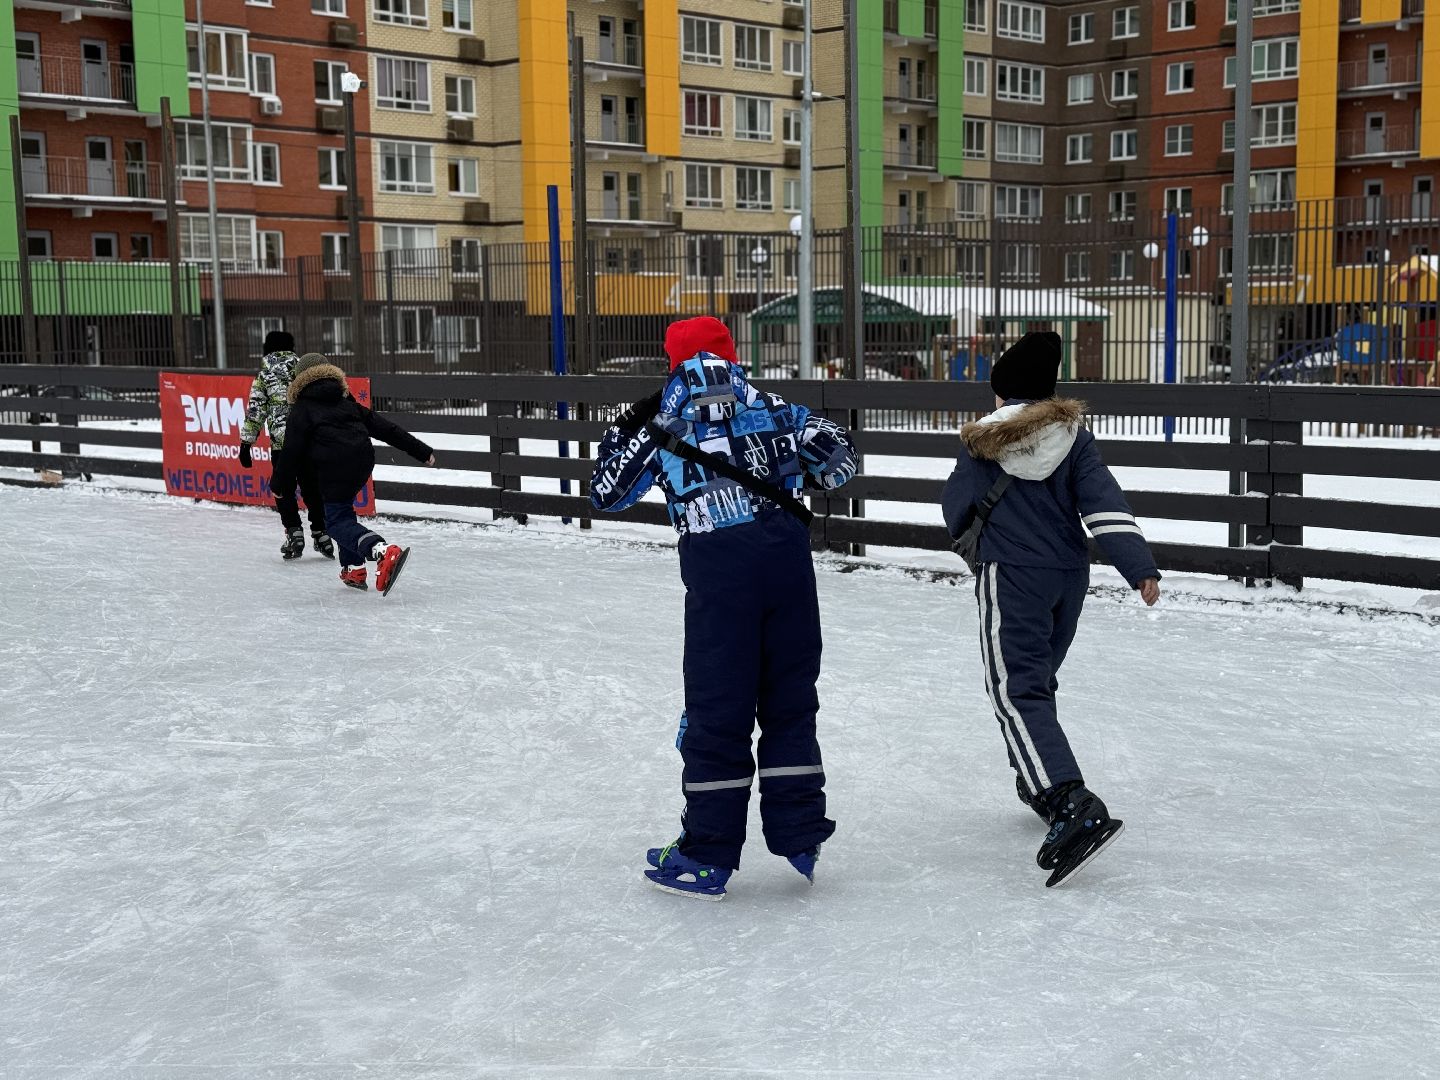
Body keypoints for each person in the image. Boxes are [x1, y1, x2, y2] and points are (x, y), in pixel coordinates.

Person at [589, 316, 858, 900]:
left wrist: (638, 426)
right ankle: (799, 833)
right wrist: (796, 460)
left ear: (673, 361)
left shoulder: (662, 416)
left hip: (719, 581)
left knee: (718, 710)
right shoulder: (776, 406)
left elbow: (606, 491)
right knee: (790, 702)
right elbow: (840, 460)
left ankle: (706, 853)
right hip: (789, 571)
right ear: (732, 354)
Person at [940, 331, 1161, 888]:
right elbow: (1105, 503)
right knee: (1037, 678)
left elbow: (955, 506)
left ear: (1004, 394)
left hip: (1011, 574)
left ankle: (1070, 800)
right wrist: (1138, 567)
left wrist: (979, 545)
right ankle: (1038, 776)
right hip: (1067, 578)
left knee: (1017, 689)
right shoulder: (1075, 440)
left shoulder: (981, 444)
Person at [271, 354, 436, 596]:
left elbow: (291, 451)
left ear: (299, 380)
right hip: (361, 462)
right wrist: (421, 451)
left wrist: (279, 484)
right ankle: (353, 568)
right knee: (342, 512)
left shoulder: (302, 409)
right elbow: (384, 427)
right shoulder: (345, 401)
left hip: (333, 466)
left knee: (336, 524)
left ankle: (381, 550)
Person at [238, 330, 334, 561]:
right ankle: (321, 532)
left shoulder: (264, 376)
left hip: (283, 446)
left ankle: (294, 532)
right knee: (312, 488)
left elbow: (256, 411)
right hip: (309, 442)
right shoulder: (304, 371)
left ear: (266, 349)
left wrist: (246, 444)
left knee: (283, 489)